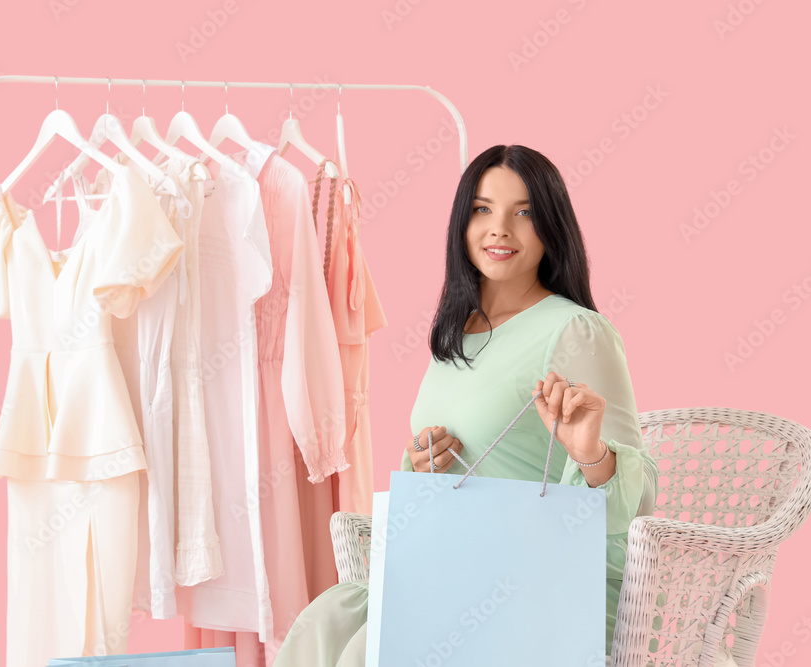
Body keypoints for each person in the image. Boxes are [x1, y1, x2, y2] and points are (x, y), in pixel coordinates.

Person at [272, 144, 737, 666]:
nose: (499, 229)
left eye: (524, 213)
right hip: (457, 566)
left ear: (551, 227)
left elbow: (642, 493)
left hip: (546, 585)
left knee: (371, 640)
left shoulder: (575, 330)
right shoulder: (454, 333)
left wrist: (590, 454)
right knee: (337, 616)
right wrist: (423, 465)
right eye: (482, 209)